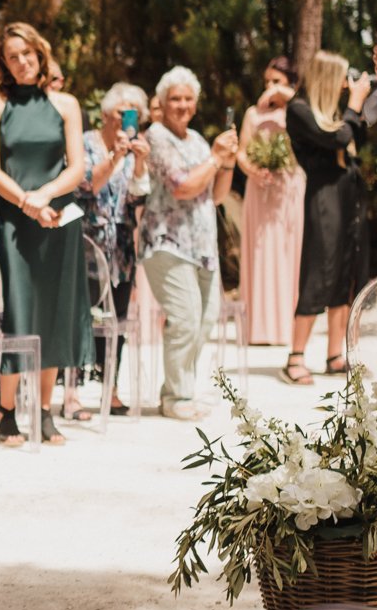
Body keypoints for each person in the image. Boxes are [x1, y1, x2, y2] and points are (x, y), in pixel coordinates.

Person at [0, 22, 88, 445]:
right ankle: (6, 411)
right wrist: (27, 202)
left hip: (57, 217)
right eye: (13, 56)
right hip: (14, 220)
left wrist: (44, 197)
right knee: (20, 312)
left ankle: (43, 411)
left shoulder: (66, 104)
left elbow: (76, 167)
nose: (22, 62)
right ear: (3, 62)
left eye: (29, 54)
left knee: (54, 312)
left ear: (41, 54)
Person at [141, 66, 240, 420]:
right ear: (162, 104)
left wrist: (226, 163)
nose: (182, 105)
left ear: (195, 104)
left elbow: (215, 196)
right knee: (184, 318)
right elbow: (182, 185)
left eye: (187, 98)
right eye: (174, 99)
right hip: (167, 243)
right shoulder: (155, 137)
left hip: (202, 245)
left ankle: (179, 389)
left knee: (206, 318)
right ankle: (176, 396)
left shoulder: (196, 139)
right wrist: (215, 158)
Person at [280, 52, 373, 385]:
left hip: (349, 192)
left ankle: (335, 353)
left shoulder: (335, 110)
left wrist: (357, 105)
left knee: (347, 270)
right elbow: (338, 138)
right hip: (324, 195)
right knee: (320, 268)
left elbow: (357, 137)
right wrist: (355, 104)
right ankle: (295, 356)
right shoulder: (299, 110)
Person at [79, 82, 151, 414]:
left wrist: (138, 163)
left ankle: (111, 388)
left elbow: (137, 198)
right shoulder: (86, 143)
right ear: (107, 113)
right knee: (82, 315)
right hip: (86, 241)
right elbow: (86, 185)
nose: (127, 119)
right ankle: (74, 390)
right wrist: (116, 157)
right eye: (122, 112)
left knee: (117, 319)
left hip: (121, 244)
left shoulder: (135, 149)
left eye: (134, 113)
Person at [235, 57, 304, 348]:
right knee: (260, 250)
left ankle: (286, 326)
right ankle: (259, 328)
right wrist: (253, 170)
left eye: (276, 81)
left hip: (288, 187)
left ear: (290, 83)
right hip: (259, 189)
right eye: (267, 82)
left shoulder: (298, 111)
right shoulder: (252, 114)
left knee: (287, 252)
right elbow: (241, 152)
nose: (270, 87)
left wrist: (286, 97)